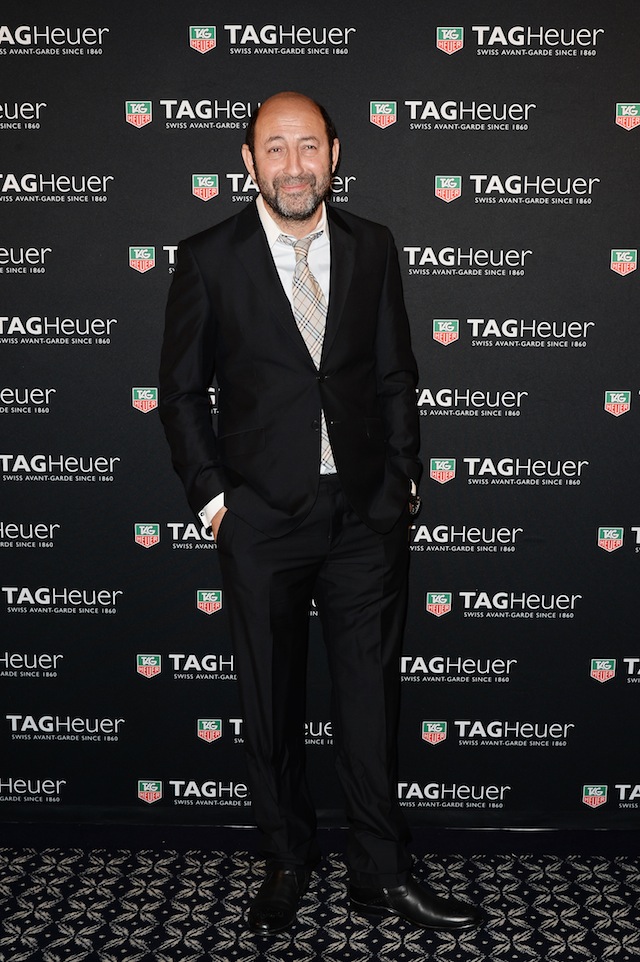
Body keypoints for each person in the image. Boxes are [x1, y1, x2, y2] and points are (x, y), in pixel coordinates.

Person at [159, 91, 480, 935]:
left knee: (370, 702)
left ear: (335, 154)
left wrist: (402, 480)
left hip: (365, 516)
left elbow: (395, 372)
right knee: (270, 703)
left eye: (309, 147)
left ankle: (380, 872)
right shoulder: (208, 258)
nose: (294, 166)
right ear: (248, 161)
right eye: (275, 148)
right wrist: (215, 501)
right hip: (260, 519)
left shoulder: (373, 245)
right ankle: (288, 860)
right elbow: (181, 391)